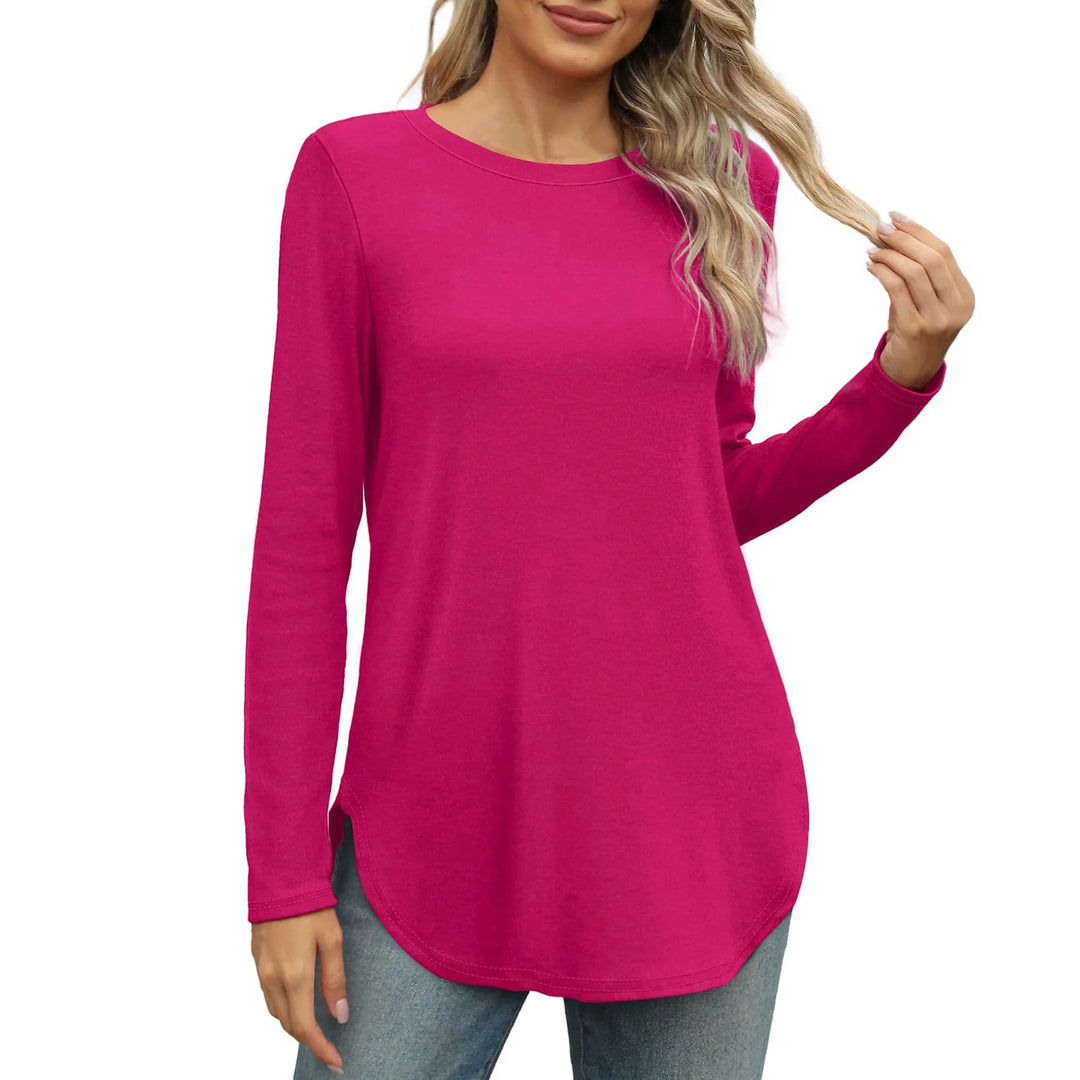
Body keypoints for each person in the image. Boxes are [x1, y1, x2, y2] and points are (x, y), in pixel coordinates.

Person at [244, 2, 975, 1077]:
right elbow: (301, 552)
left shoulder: (721, 185)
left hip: (686, 818)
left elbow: (700, 499)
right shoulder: (355, 176)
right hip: (432, 817)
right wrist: (284, 875)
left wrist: (896, 382)